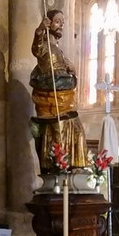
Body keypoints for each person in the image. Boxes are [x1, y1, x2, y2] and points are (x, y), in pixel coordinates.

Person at [29, 9, 88, 170]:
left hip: (66, 102)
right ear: (49, 23)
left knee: (79, 133)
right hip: (53, 105)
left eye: (62, 21)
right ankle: (59, 169)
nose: (61, 24)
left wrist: (73, 71)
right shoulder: (46, 46)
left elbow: (69, 78)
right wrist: (40, 30)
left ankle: (76, 169)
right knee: (58, 136)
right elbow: (36, 48)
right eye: (57, 21)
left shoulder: (60, 50)